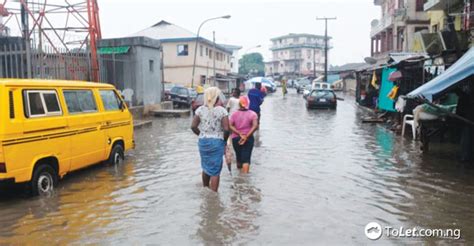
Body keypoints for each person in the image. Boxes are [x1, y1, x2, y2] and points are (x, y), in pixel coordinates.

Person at [191, 87, 229, 192]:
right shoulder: (222, 111)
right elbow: (226, 129)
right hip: (217, 142)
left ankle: (205, 189)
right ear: (216, 97)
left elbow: (193, 127)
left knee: (206, 166)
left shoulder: (200, 110)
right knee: (215, 171)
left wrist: (201, 134)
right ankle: (213, 195)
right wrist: (224, 141)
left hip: (203, 142)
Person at [229, 96, 259, 173]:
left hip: (236, 138)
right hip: (248, 139)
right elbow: (255, 126)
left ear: (239, 104)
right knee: (246, 159)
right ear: (248, 104)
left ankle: (239, 178)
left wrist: (239, 133)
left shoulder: (234, 114)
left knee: (238, 158)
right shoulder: (253, 114)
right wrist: (246, 136)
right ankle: (244, 181)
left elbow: (230, 125)